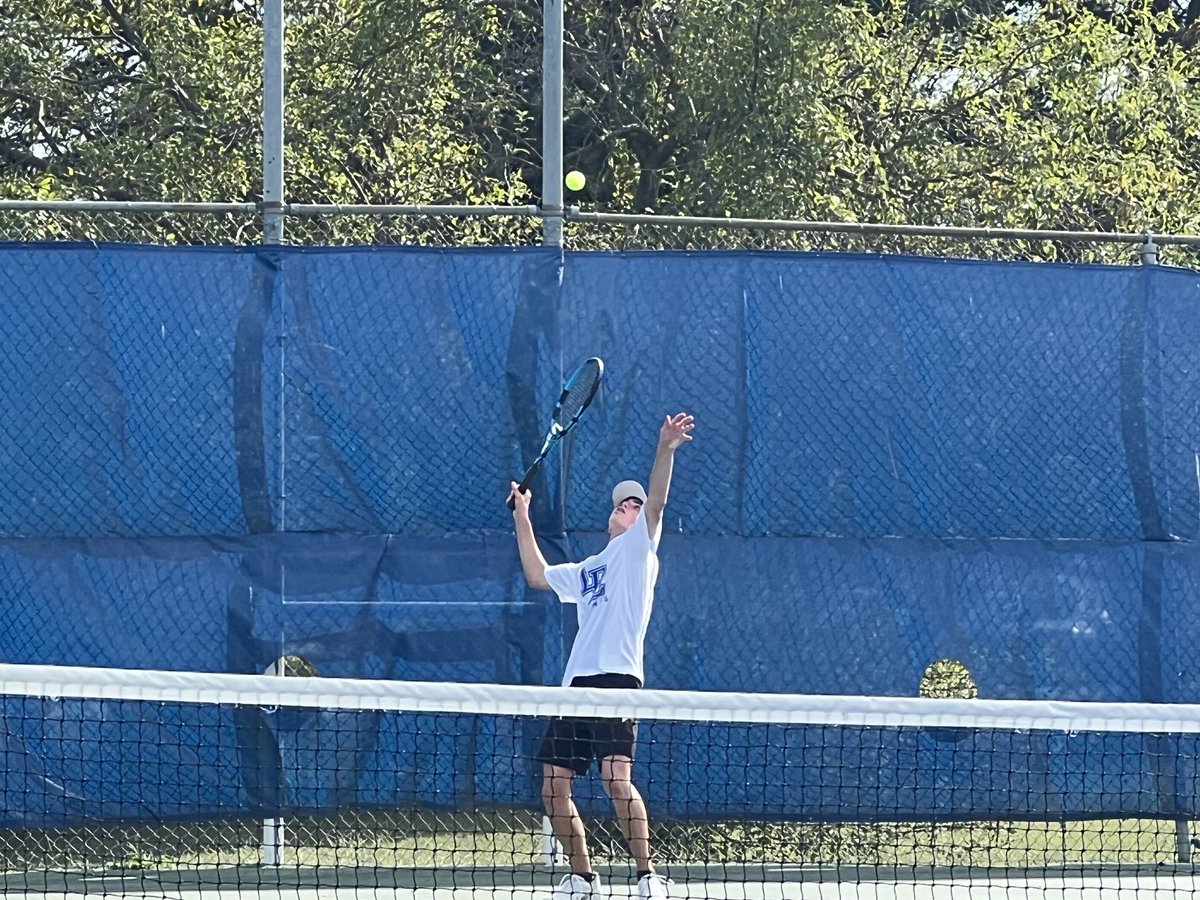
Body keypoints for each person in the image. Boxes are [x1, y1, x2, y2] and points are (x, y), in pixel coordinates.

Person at [508, 412, 695, 900]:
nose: (628, 507)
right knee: (553, 788)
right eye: (622, 504)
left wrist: (666, 448)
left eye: (633, 504)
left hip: (619, 682)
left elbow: (658, 499)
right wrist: (522, 518)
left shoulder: (640, 550)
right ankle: (582, 877)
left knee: (616, 779)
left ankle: (647, 875)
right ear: (611, 516)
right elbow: (537, 575)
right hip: (577, 686)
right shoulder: (589, 568)